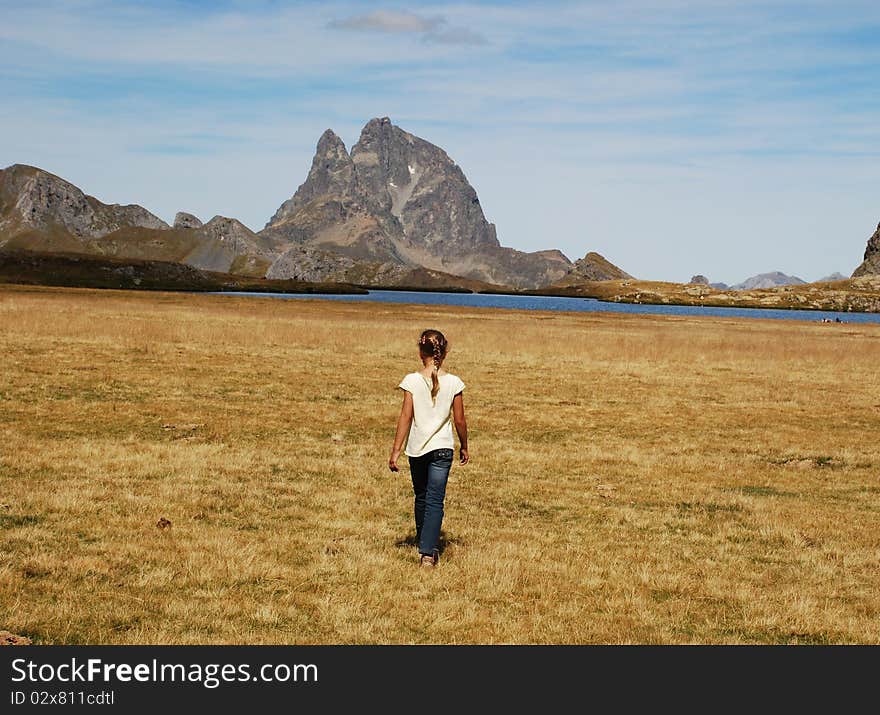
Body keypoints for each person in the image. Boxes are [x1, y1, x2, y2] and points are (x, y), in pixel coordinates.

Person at [388, 329, 469, 568]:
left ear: (419, 352)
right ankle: (427, 549)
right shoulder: (454, 382)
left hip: (417, 449)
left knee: (422, 496)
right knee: (434, 499)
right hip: (443, 449)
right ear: (443, 352)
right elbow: (460, 420)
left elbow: (405, 416)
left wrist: (396, 450)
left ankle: (426, 545)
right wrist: (464, 445)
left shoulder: (412, 380)